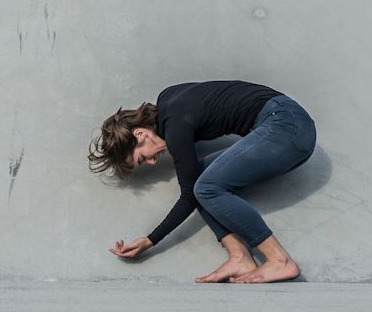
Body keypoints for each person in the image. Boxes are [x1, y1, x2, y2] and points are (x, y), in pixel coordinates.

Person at [88, 80, 317, 284]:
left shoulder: (175, 126)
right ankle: (240, 258)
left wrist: (150, 240)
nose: (151, 163)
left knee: (204, 187)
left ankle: (279, 260)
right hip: (288, 126)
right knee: (201, 180)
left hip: (286, 125)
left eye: (141, 157)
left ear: (140, 134)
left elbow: (188, 195)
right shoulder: (169, 102)